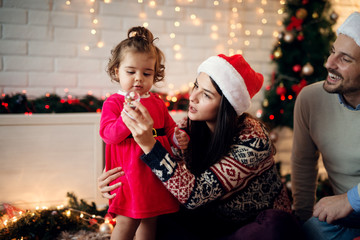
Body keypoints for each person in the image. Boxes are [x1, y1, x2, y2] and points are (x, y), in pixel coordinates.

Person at [99, 54, 304, 239]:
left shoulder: (253, 139)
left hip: (249, 225)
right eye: (196, 86)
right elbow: (166, 176)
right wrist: (119, 177)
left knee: (277, 226)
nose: (193, 97)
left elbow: (194, 194)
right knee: (152, 216)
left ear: (227, 105)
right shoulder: (189, 128)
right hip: (207, 220)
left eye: (206, 94)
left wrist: (149, 145)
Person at [100, 26, 188, 240]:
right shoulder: (114, 103)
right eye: (131, 72)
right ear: (116, 71)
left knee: (150, 219)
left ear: (155, 75)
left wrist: (178, 137)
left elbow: (167, 129)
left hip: (154, 173)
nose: (138, 78)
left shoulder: (157, 102)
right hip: (128, 173)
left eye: (146, 73)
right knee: (126, 220)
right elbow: (108, 135)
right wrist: (125, 119)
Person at [291, 11, 360, 239]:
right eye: (333, 52)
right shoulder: (310, 99)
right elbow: (303, 163)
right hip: (348, 219)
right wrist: (302, 223)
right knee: (311, 230)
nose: (329, 63)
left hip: (349, 206)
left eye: (345, 59)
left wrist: (351, 199)